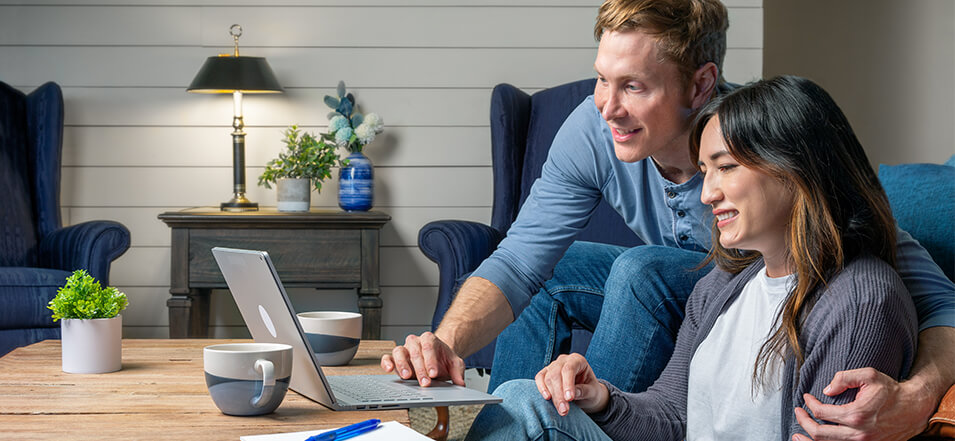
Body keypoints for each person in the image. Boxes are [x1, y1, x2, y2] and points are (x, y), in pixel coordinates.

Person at [382, 0, 955, 437]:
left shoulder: (773, 147)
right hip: (720, 290)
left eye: (633, 85)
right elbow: (519, 260)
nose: (607, 105)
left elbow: (934, 299)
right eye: (603, 78)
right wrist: (445, 344)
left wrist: (917, 396)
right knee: (558, 275)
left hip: (726, 278)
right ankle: (526, 416)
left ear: (701, 84)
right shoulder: (594, 129)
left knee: (643, 268)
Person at [465, 75, 919, 440]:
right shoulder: (722, 285)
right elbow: (671, 415)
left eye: (725, 167)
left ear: (794, 167)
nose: (707, 193)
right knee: (525, 397)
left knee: (529, 411)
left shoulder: (858, 301)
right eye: (704, 171)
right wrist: (599, 397)